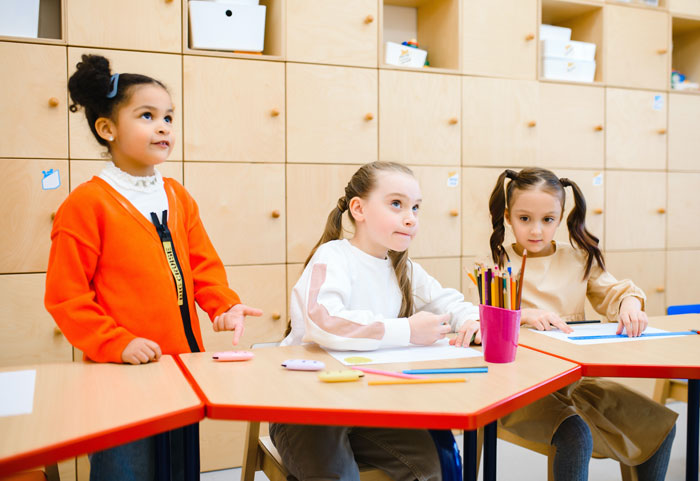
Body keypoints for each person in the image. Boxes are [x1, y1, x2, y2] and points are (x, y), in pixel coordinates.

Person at [45, 54, 262, 480]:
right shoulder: (86, 205)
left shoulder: (177, 196)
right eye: (147, 115)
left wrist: (222, 305)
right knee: (126, 471)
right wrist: (117, 342)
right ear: (106, 129)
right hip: (121, 375)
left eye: (168, 117)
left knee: (180, 470)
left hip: (182, 368)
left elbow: (203, 265)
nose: (164, 127)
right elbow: (66, 297)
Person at [273, 161, 480, 481]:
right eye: (396, 204)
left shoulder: (403, 268)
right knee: (336, 475)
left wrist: (471, 320)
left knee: (433, 469)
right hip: (307, 406)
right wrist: (407, 330)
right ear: (359, 208)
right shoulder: (333, 256)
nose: (410, 217)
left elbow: (449, 302)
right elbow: (324, 321)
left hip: (368, 405)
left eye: (416, 207)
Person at [487, 167, 677, 481]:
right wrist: (524, 317)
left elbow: (618, 292)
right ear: (508, 217)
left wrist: (630, 305)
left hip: (573, 385)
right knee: (575, 434)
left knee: (659, 425)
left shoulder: (578, 259)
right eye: (524, 219)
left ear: (560, 218)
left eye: (548, 220)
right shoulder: (495, 264)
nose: (536, 230)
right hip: (518, 390)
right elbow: (479, 323)